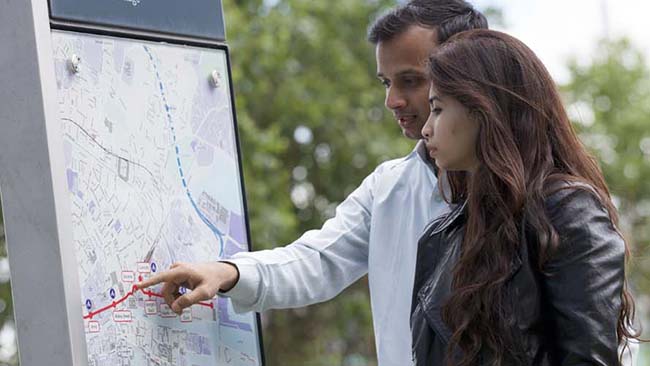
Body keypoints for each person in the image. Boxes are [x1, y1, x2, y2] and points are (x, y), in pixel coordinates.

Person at [137, 1, 487, 365]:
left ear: (467, 73)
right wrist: (227, 272)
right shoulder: (388, 188)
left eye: (411, 81)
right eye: (386, 83)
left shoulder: (535, 197)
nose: (391, 100)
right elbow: (316, 260)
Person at [411, 29, 640, 365]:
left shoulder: (568, 212)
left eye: (438, 109)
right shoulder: (438, 238)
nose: (425, 129)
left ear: (484, 109)